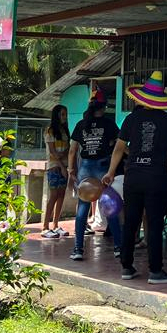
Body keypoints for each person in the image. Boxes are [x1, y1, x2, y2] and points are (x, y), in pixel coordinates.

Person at [104, 71, 167, 284]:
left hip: (133, 177)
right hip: (156, 178)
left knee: (131, 222)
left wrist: (111, 173)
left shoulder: (131, 119)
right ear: (161, 100)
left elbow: (119, 149)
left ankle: (127, 267)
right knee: (155, 224)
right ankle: (156, 271)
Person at [67, 90, 122, 261]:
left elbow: (72, 151)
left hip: (85, 168)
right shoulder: (109, 124)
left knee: (82, 209)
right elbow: (118, 145)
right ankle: (119, 247)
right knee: (109, 207)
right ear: (104, 107)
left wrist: (71, 171)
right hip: (103, 168)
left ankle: (78, 249)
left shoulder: (81, 124)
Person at [42, 104, 71, 239]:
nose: (65, 117)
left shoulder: (64, 131)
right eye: (62, 114)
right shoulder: (50, 131)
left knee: (61, 195)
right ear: (56, 116)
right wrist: (62, 167)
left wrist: (65, 165)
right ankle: (45, 226)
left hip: (64, 165)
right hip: (54, 166)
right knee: (53, 195)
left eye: (65, 114)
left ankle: (55, 224)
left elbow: (67, 149)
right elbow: (53, 153)